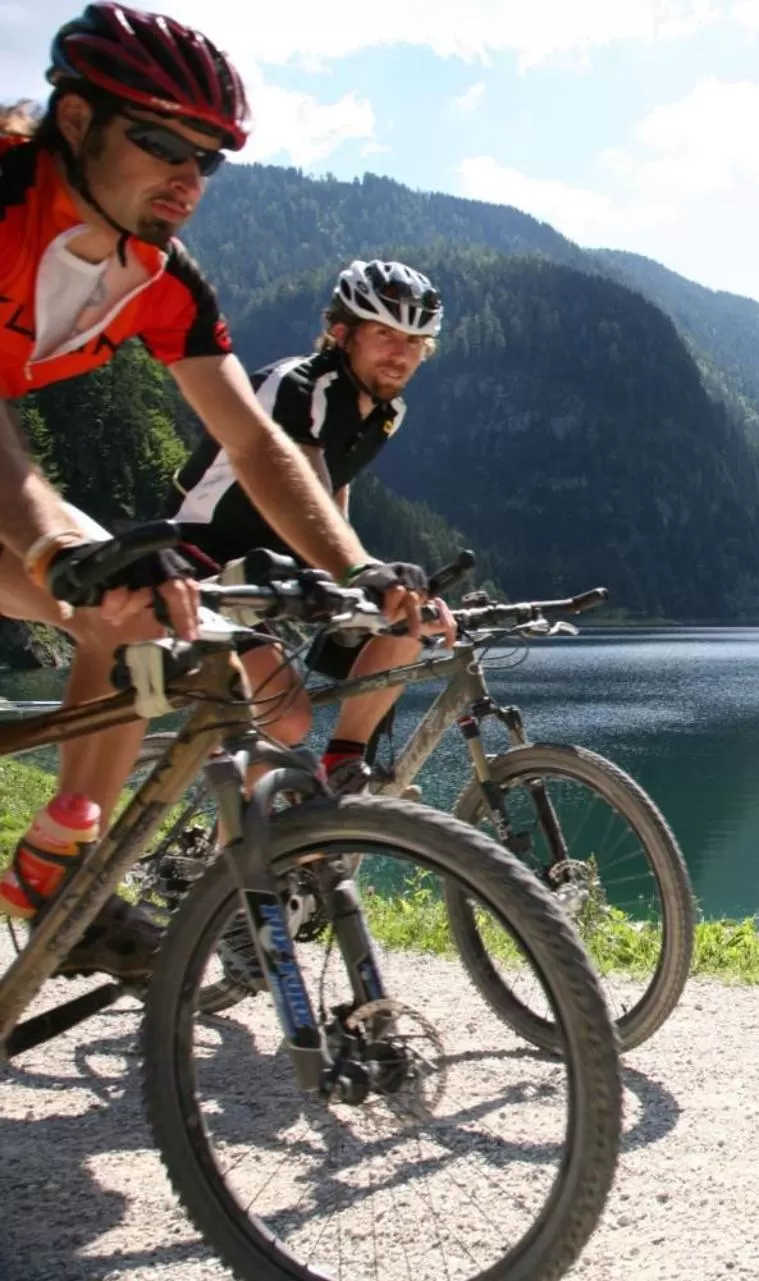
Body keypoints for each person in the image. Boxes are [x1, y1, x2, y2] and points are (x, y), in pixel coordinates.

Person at [0, 3, 437, 980]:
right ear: (75, 121)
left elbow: (254, 440)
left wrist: (360, 574)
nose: (189, 180)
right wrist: (50, 547)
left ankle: (61, 859)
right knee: (103, 580)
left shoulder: (163, 278)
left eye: (211, 159)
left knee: (133, 617)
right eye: (164, 145)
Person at [173, 259, 449, 790]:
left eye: (414, 341)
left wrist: (367, 575)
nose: (401, 353)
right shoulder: (297, 386)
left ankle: (341, 762)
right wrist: (361, 571)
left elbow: (335, 485)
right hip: (205, 563)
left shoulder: (386, 411)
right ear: (342, 333)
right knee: (288, 717)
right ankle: (246, 857)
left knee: (408, 625)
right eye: (385, 334)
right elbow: (302, 481)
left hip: (282, 573)